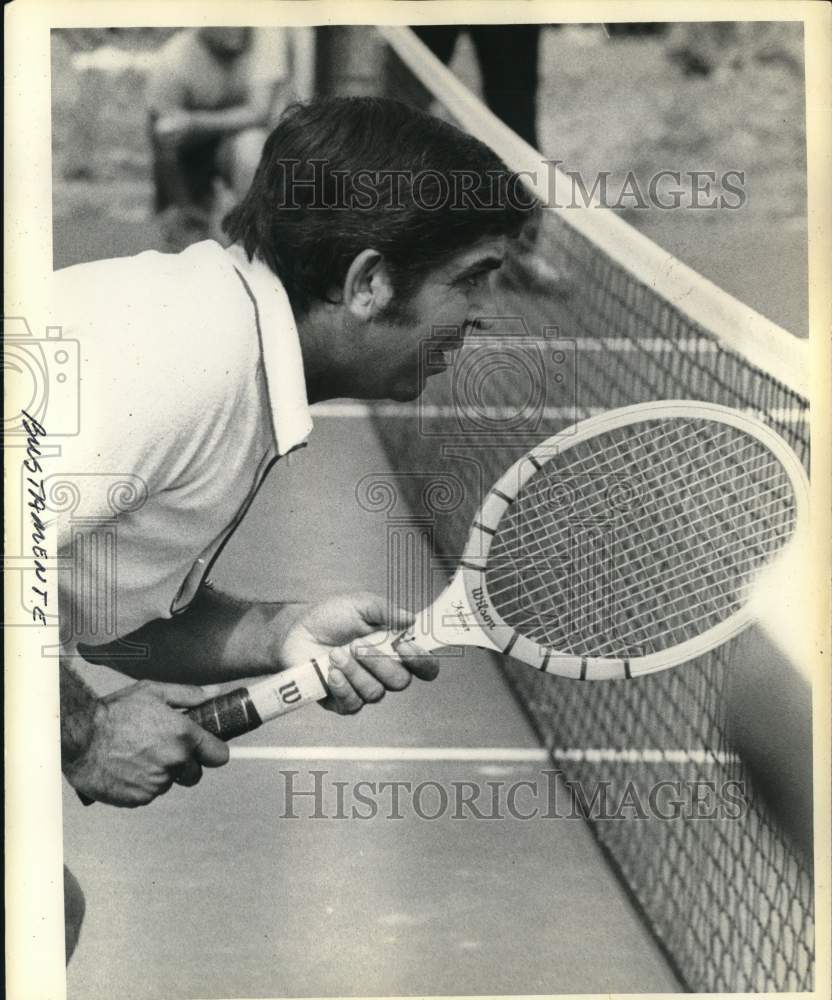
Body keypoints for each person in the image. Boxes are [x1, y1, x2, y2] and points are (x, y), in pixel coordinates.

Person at [57, 96, 536, 810]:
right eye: (469, 277)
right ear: (368, 282)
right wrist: (83, 731)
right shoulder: (189, 364)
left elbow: (101, 618)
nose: (481, 312)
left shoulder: (229, 338)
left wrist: (281, 633)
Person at [146, 27, 306, 248]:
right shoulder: (173, 62)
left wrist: (193, 122)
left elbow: (259, 113)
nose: (236, 28)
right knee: (185, 239)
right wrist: (182, 204)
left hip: (237, 145)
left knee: (252, 147)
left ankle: (255, 238)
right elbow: (163, 148)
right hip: (190, 156)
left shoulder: (264, 38)